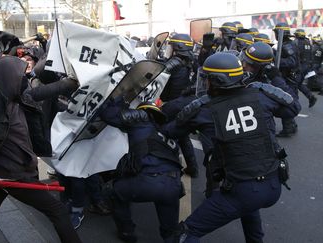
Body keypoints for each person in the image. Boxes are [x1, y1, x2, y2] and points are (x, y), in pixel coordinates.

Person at [162, 52, 299, 243]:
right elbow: (293, 108)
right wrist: (273, 79)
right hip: (273, 184)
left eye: (207, 79)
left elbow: (171, 131)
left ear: (215, 81)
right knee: (249, 208)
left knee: (183, 234)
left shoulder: (204, 109)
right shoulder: (260, 95)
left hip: (241, 190)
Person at [0, 56, 81, 243]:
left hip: (6, 173)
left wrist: (71, 82)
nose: (25, 81)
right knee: (57, 210)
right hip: (12, 175)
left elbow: (44, 91)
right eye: (21, 77)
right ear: (8, 77)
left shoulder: (17, 96)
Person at [100, 99, 184, 243]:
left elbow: (108, 115)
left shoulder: (141, 120)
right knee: (170, 233)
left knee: (111, 191)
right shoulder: (166, 136)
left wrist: (112, 100)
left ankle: (127, 232)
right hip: (174, 185)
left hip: (150, 181)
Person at [160, 33, 199, 177]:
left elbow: (159, 75)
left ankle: (172, 172)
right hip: (187, 102)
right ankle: (193, 167)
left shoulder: (176, 63)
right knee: (183, 136)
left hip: (174, 104)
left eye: (171, 45)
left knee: (166, 137)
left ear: (178, 47)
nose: (168, 48)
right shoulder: (191, 60)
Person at [273, 22, 301, 137]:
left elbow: (291, 62)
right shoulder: (286, 44)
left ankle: (288, 128)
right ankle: (292, 126)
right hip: (290, 77)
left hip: (289, 78)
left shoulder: (287, 45)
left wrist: (276, 61)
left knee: (286, 102)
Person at [294, 29, 317, 108]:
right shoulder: (308, 42)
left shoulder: (297, 42)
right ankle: (311, 97)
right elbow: (311, 55)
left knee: (294, 84)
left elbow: (296, 56)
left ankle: (294, 103)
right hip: (307, 66)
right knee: (299, 84)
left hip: (300, 67)